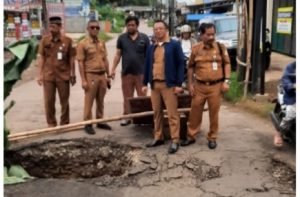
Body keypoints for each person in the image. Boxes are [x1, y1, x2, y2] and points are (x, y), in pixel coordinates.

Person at [181, 23, 231, 149]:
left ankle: (212, 137)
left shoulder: (220, 47)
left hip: (216, 86)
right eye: (208, 34)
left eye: (213, 34)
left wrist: (227, 81)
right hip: (199, 86)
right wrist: (190, 84)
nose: (211, 36)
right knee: (195, 112)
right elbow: (191, 66)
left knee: (214, 113)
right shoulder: (196, 49)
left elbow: (227, 64)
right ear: (201, 35)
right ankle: (191, 135)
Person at [142, 20, 185, 154]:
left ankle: (175, 140)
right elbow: (148, 65)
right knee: (157, 113)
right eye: (155, 29)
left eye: (160, 28)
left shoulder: (174, 45)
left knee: (172, 114)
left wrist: (179, 84)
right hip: (155, 85)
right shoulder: (151, 47)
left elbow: (181, 64)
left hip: (169, 85)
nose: (158, 31)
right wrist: (144, 83)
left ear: (166, 30)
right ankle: (158, 137)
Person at [37, 16, 76, 127]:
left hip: (63, 76)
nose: (51, 29)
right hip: (48, 76)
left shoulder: (68, 41)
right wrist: (39, 75)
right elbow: (42, 58)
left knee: (64, 101)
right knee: (48, 101)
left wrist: (73, 74)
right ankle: (51, 123)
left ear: (60, 27)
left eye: (53, 26)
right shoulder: (44, 40)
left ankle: (64, 122)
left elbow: (72, 58)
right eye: (50, 26)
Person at [111, 16, 150, 126]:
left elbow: (148, 57)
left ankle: (142, 118)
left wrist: (149, 72)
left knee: (142, 97)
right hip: (126, 73)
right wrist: (113, 69)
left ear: (137, 26)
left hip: (141, 74)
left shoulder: (144, 38)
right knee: (127, 97)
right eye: (128, 25)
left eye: (133, 25)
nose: (130, 27)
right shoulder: (122, 38)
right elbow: (118, 55)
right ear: (126, 26)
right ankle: (127, 117)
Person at [76, 19, 112, 134]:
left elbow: (105, 59)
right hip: (90, 75)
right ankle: (88, 123)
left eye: (97, 27)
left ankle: (100, 120)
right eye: (92, 27)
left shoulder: (102, 42)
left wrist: (108, 75)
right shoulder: (83, 44)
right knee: (89, 100)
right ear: (88, 29)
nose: (95, 29)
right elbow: (80, 62)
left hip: (102, 75)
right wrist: (83, 80)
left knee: (100, 100)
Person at [274, 61, 296, 147]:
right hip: (293, 96)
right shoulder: (292, 66)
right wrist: (293, 86)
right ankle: (279, 133)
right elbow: (285, 79)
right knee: (291, 114)